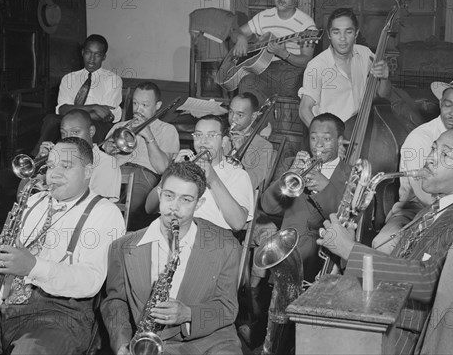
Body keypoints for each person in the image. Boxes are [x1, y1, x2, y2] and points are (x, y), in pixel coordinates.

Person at [317, 127, 453, 355]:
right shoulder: (434, 208)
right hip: (385, 318)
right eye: (434, 149)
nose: (431, 158)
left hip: (409, 338)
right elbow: (400, 267)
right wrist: (346, 253)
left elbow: (430, 280)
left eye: (446, 155)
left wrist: (351, 251)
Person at [0, 137, 126, 355]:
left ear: (87, 172)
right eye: (50, 166)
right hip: (7, 306)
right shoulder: (33, 202)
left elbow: (91, 281)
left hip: (61, 316)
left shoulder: (105, 212)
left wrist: (32, 266)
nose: (54, 174)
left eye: (66, 166)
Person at [101, 162, 242, 355]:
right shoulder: (122, 247)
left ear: (198, 204)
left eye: (186, 199)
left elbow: (227, 307)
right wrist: (122, 343)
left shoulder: (226, 245)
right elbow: (115, 303)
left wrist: (189, 314)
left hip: (211, 341)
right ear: (159, 194)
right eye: (169, 196)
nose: (174, 207)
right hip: (153, 343)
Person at [373, 72, 453, 252]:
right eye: (448, 105)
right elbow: (423, 192)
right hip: (415, 209)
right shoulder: (420, 137)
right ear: (440, 103)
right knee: (385, 243)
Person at [261, 113, 351, 283]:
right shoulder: (292, 164)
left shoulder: (352, 174)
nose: (318, 145)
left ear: (340, 141)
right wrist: (290, 174)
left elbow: (348, 223)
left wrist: (326, 188)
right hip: (288, 260)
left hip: (327, 267)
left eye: (326, 139)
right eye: (314, 138)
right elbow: (268, 206)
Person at [145, 114, 253, 232]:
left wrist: (213, 180)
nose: (203, 141)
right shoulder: (184, 166)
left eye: (211, 135)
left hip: (212, 240)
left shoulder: (237, 174)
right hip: (175, 232)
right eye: (198, 135)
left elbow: (238, 224)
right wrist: (169, 174)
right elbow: (150, 209)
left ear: (224, 141)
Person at [298, 8, 391, 132]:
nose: (342, 38)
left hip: (360, 129)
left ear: (356, 33)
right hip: (330, 133)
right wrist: (325, 138)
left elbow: (383, 95)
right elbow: (304, 110)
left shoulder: (365, 54)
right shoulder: (317, 66)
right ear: (329, 35)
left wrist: (385, 78)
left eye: (348, 32)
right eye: (336, 32)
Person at [231, 0, 317, 106]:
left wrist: (284, 54)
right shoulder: (264, 17)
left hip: (291, 71)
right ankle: (255, 124)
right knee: (246, 83)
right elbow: (236, 32)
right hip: (262, 69)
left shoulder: (307, 24)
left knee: (291, 83)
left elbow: (306, 60)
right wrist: (241, 38)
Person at [103, 82, 179, 231]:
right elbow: (100, 160)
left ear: (158, 106)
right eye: (135, 103)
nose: (138, 110)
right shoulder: (119, 127)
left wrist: (149, 136)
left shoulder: (168, 130)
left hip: (144, 177)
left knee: (134, 202)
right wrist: (106, 150)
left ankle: (128, 238)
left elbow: (163, 168)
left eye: (145, 105)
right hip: (115, 174)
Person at [33, 34, 122, 153]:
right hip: (69, 121)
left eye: (97, 54)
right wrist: (94, 107)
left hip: (98, 126)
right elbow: (62, 110)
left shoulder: (113, 80)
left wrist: (73, 114)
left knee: (84, 127)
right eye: (88, 53)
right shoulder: (68, 78)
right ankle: (38, 159)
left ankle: (69, 159)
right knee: (51, 120)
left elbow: (103, 116)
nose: (91, 59)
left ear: (104, 57)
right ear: (82, 52)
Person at [225, 92, 274, 189]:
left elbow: (252, 183)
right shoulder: (222, 137)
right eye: (231, 112)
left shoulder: (264, 146)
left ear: (253, 116)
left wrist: (242, 151)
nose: (233, 118)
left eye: (240, 115)